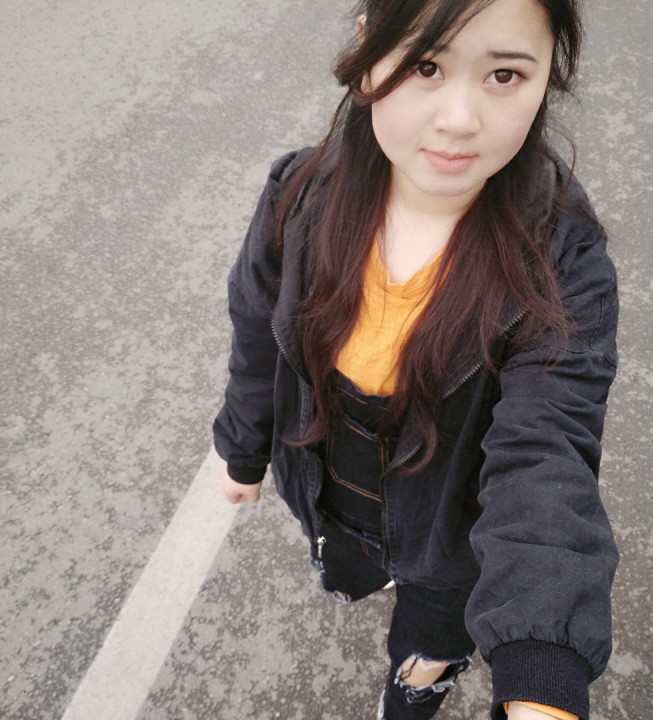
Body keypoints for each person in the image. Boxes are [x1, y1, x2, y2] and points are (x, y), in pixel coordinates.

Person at [213, 0, 619, 718]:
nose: (459, 120)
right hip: (330, 495)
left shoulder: (561, 264)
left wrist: (542, 672)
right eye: (426, 65)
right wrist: (243, 452)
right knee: (348, 568)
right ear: (368, 50)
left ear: (548, 74)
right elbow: (255, 340)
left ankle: (416, 687)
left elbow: (547, 449)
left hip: (451, 544)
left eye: (504, 75)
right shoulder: (300, 199)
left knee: (428, 641)